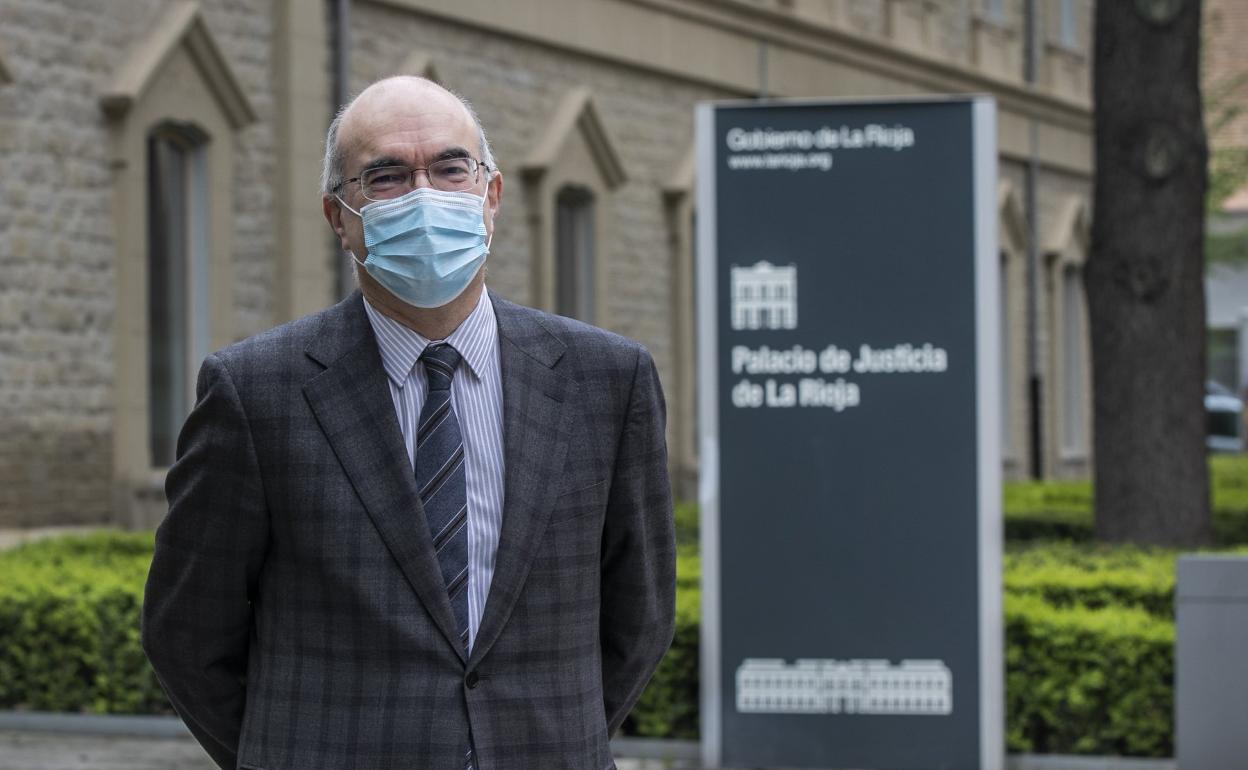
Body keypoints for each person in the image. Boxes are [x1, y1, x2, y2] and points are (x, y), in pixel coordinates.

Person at [141, 76, 676, 770]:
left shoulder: (607, 381)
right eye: (387, 176)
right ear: (339, 218)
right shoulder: (255, 393)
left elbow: (640, 616)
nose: (425, 196)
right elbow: (187, 631)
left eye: (451, 168)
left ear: (491, 195)